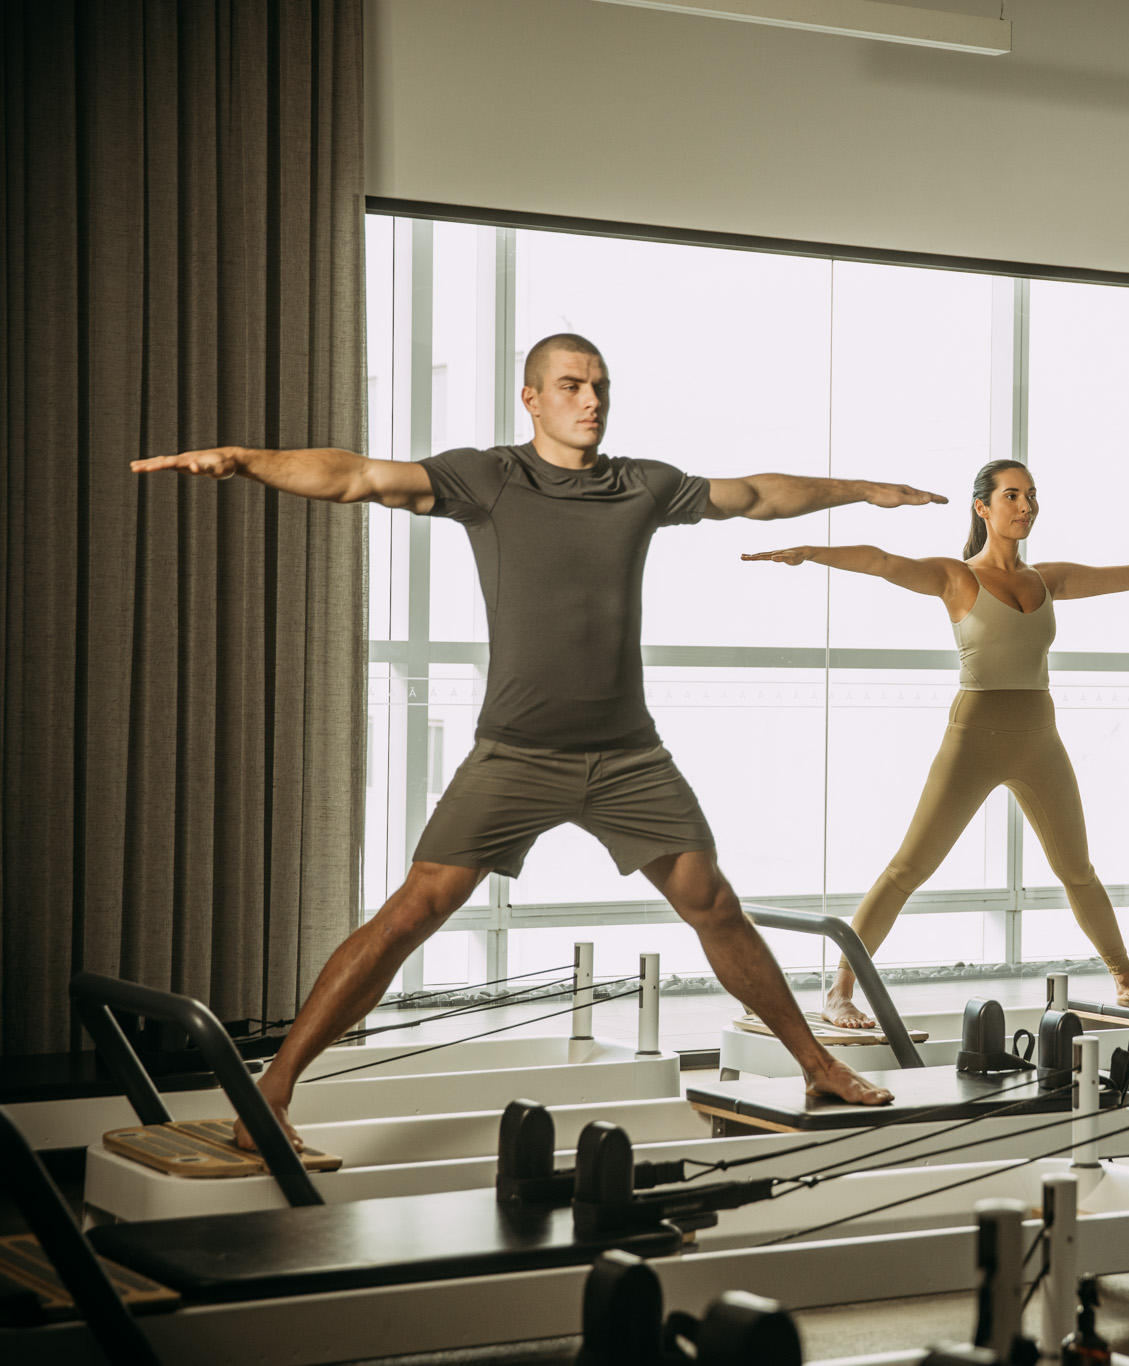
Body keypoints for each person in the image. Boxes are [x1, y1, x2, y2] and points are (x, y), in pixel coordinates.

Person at [133, 332, 936, 1145]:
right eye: (571, 385)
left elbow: (756, 494)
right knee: (413, 913)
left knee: (714, 903)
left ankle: (817, 1065)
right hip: (516, 754)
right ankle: (271, 1093)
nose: (591, 400)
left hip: (629, 756)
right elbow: (358, 475)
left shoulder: (643, 485)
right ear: (533, 399)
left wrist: (863, 488)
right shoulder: (489, 479)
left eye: (600, 386)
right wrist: (245, 459)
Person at [744, 459, 1129, 1028]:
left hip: (1039, 737)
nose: (1026, 506)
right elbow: (882, 561)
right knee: (907, 869)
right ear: (983, 508)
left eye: (1032, 495)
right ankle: (840, 988)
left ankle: (1124, 978)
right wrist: (812, 552)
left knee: (1077, 869)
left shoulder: (1048, 580)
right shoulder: (955, 577)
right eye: (1012, 495)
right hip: (974, 737)